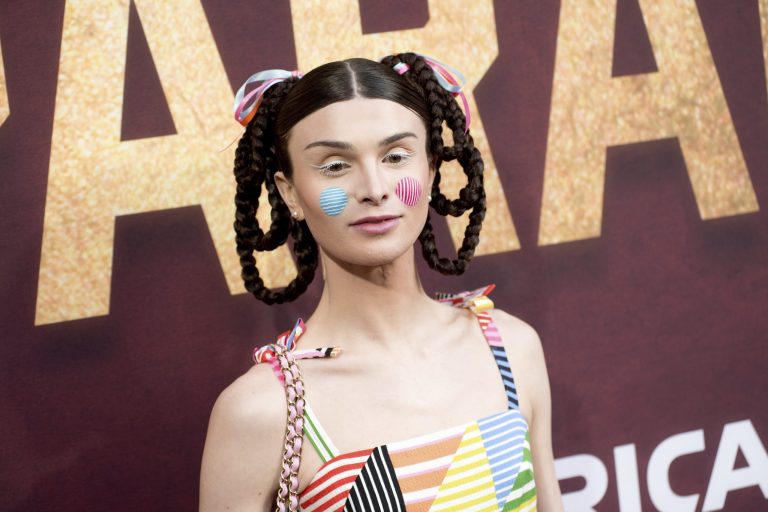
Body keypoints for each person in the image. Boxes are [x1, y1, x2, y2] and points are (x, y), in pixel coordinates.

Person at [199, 52, 563, 511]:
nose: (374, 187)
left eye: (395, 156)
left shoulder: (509, 347)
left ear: (430, 170)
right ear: (289, 192)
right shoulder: (264, 409)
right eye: (335, 165)